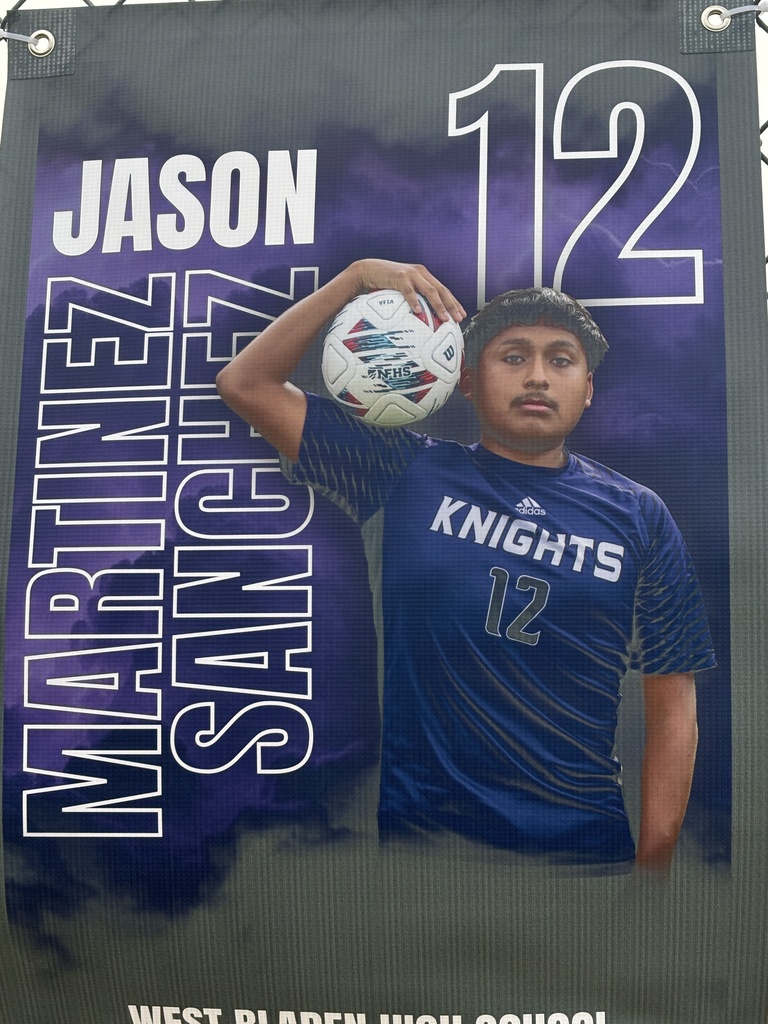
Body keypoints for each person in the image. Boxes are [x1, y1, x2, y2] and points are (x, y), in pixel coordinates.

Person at [216, 259, 715, 872]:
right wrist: (354, 281)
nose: (537, 377)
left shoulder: (640, 514)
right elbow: (247, 384)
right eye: (513, 357)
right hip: (428, 857)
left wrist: (655, 865)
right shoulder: (402, 470)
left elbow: (673, 694)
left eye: (560, 360)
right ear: (466, 378)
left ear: (587, 389)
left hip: (588, 861)